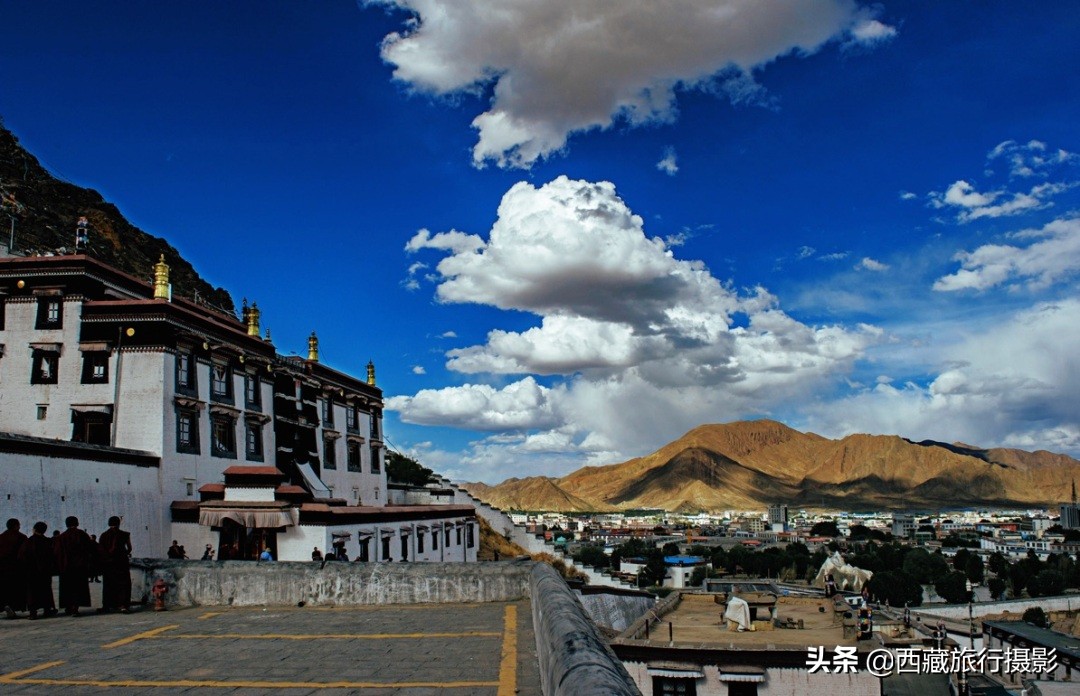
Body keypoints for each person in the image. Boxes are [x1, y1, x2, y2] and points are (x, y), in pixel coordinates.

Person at [54, 516, 96, 616]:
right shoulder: (82, 535)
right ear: (77, 523)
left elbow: (57, 553)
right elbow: (90, 549)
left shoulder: (61, 537)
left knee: (67, 588)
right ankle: (75, 608)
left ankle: (68, 607)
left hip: (66, 567)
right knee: (78, 588)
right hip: (80, 566)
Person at [18, 522, 56, 620]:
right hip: (45, 571)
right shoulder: (47, 541)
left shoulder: (29, 541)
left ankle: (33, 613)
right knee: (46, 590)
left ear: (34, 529)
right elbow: (52, 556)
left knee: (32, 591)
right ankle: (47, 610)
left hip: (31, 571)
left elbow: (22, 556)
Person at [97, 516, 132, 613]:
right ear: (119, 523)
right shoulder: (125, 534)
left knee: (108, 584)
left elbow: (100, 549)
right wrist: (124, 553)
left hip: (108, 563)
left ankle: (107, 605)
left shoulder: (104, 535)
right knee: (123, 584)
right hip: (121, 562)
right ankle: (123, 605)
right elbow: (129, 548)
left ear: (109, 523)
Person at [0, 519, 28, 619]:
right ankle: (14, 607)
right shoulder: (21, 537)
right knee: (16, 590)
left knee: (5, 590)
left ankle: (6, 605)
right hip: (17, 569)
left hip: (3, 569)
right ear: (16, 526)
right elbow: (25, 553)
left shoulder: (1, 537)